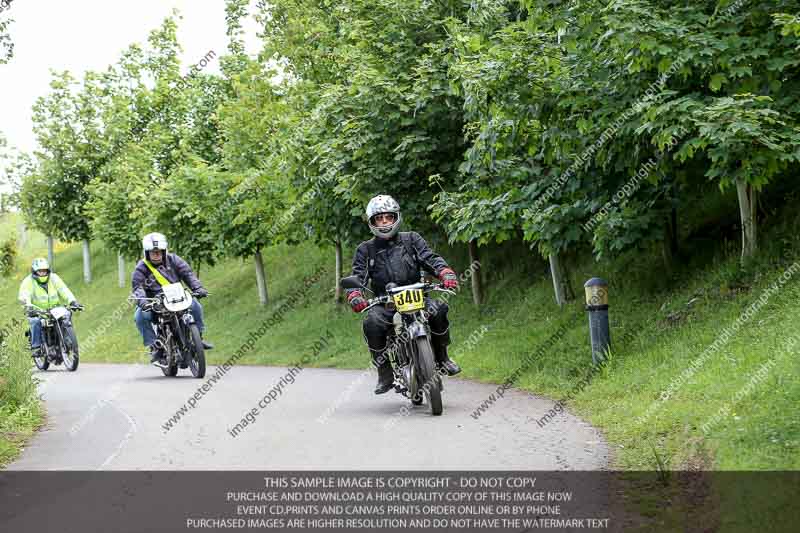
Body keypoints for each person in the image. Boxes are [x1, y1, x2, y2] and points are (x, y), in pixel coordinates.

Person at [346, 194, 461, 394]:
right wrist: (355, 294)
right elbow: (358, 276)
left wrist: (445, 273)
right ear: (372, 222)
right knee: (371, 323)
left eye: (388, 217)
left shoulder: (412, 239)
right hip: (385, 304)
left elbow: (430, 258)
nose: (384, 222)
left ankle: (442, 357)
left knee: (439, 309)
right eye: (379, 219)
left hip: (418, 298)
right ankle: (384, 373)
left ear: (396, 217)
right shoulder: (365, 250)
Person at [131, 232, 212, 364]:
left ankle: (199, 338)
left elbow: (188, 274)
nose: (156, 255)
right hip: (154, 302)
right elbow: (138, 288)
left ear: (164, 251)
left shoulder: (174, 260)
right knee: (140, 317)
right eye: (153, 252)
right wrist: (143, 302)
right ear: (146, 253)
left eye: (159, 252)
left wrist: (197, 288)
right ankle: (154, 346)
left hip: (178, 297)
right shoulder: (141, 267)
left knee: (195, 306)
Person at [18, 258, 81, 357]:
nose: (43, 273)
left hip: (55, 309)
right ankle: (36, 347)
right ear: (34, 272)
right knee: (35, 321)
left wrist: (72, 301)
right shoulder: (28, 281)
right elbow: (24, 295)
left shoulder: (54, 278)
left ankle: (67, 340)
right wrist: (29, 307)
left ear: (48, 271)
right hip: (37, 310)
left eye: (45, 271)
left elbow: (63, 289)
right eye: (40, 271)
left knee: (67, 315)